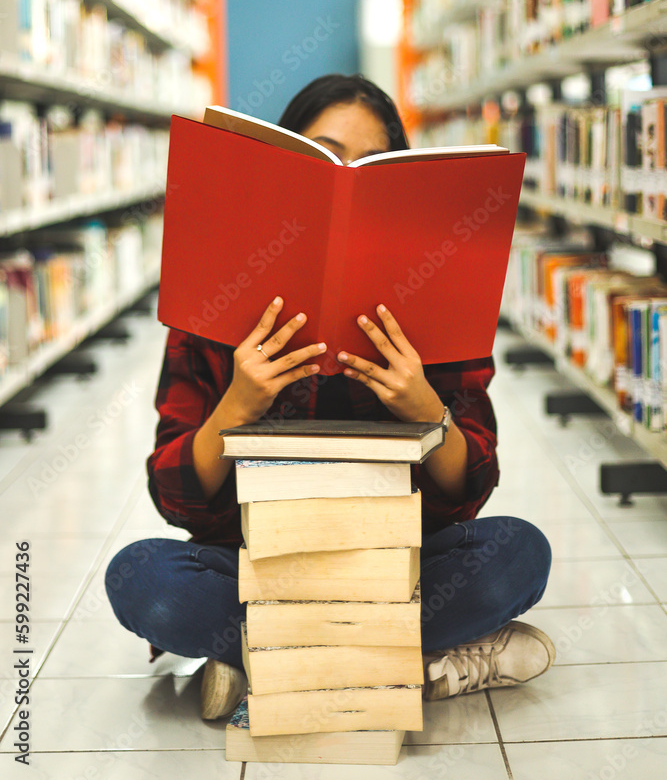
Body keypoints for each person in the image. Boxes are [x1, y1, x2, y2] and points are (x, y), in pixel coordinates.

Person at [105, 73, 554, 721]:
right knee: (144, 582)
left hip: (392, 568)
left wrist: (424, 409)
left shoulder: (438, 287)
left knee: (518, 553)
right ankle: (394, 662)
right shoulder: (218, 289)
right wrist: (238, 404)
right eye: (326, 154)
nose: (346, 179)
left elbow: (468, 491)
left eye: (369, 165)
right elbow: (177, 497)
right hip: (256, 563)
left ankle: (259, 660)